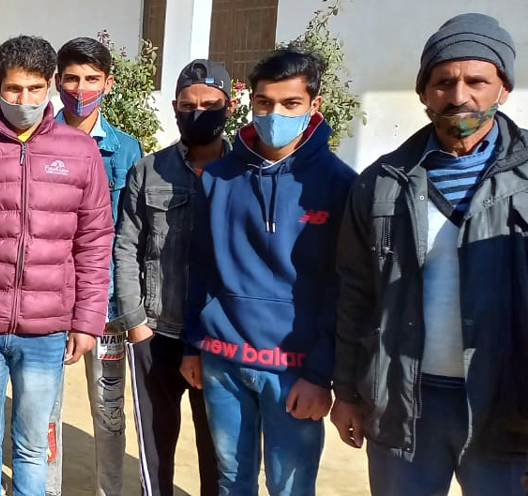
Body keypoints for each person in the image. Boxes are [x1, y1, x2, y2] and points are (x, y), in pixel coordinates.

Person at [332, 13, 528, 494]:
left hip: (509, 409)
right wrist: (347, 392)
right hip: (404, 405)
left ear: (503, 89)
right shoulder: (379, 184)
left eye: (476, 81)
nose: (459, 96)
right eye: (443, 82)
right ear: (423, 93)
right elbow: (354, 294)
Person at [0, 35, 113, 496]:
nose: (24, 100)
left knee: (32, 445)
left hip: (47, 330)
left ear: (50, 85)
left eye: (34, 88)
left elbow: (93, 242)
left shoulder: (80, 151)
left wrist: (88, 320)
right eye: (14, 88)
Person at [180, 48, 356, 496]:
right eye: (264, 102)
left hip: (295, 372)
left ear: (314, 105)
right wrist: (193, 344)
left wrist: (320, 375)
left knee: (290, 487)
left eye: (290, 103)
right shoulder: (217, 178)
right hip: (222, 361)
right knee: (230, 480)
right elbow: (200, 266)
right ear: (251, 102)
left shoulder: (339, 184)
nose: (274, 114)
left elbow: (344, 289)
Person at [113, 59, 229, 496]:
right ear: (175, 108)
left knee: (220, 450)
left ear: (228, 106)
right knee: (156, 445)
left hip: (220, 337)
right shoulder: (148, 171)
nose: (198, 113)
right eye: (187, 104)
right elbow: (126, 247)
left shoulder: (243, 172)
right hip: (157, 332)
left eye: (210, 105)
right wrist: (136, 322)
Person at [44, 36, 143, 496]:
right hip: (47, 304)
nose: (80, 89)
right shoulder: (38, 143)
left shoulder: (126, 151)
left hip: (106, 308)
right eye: (71, 79)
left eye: (91, 79)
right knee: (44, 412)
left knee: (109, 412)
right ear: (56, 82)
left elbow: (129, 235)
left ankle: (110, 490)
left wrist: (127, 305)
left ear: (108, 83)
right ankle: (46, 489)